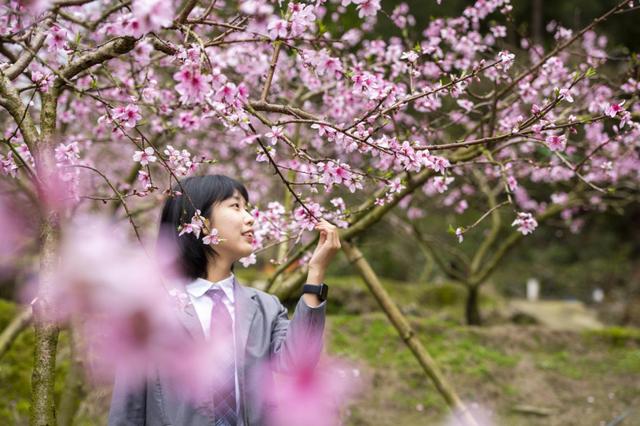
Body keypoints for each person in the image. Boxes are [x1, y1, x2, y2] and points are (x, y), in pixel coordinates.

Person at [108, 174, 341, 426]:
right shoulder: (153, 310)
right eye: (236, 206)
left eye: (247, 208)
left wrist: (315, 273)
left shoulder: (265, 308)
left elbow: (298, 361)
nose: (250, 218)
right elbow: (128, 409)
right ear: (200, 223)